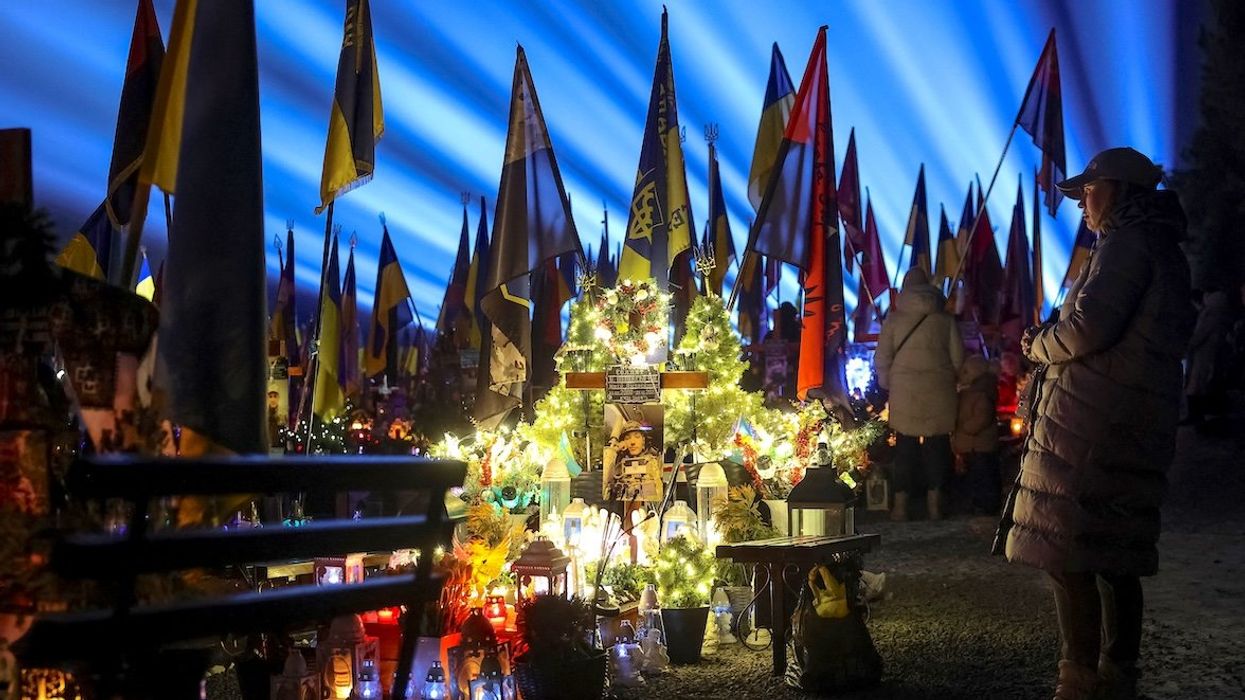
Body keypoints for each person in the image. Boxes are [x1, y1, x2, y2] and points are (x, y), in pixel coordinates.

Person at [1000, 148, 1194, 700]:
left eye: (1090, 189)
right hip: (1129, 413)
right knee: (1116, 548)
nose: (1083, 201)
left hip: (1095, 420)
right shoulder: (1156, 246)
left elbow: (1087, 330)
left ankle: (1079, 676)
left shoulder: (1127, 244)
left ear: (1119, 191)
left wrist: (1039, 345)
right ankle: (1117, 669)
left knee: (1069, 548)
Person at [874, 267, 964, 521]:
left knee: (905, 448)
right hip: (939, 388)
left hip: (904, 390)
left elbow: (882, 357)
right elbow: (958, 358)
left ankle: (901, 505)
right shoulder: (945, 320)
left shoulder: (894, 320)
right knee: (938, 447)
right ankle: (936, 502)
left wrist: (888, 380)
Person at [952, 355, 1000, 515]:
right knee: (975, 476)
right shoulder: (969, 393)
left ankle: (985, 504)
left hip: (978, 444)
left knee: (982, 476)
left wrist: (966, 428)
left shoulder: (980, 394)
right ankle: (977, 503)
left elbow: (982, 416)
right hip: (972, 444)